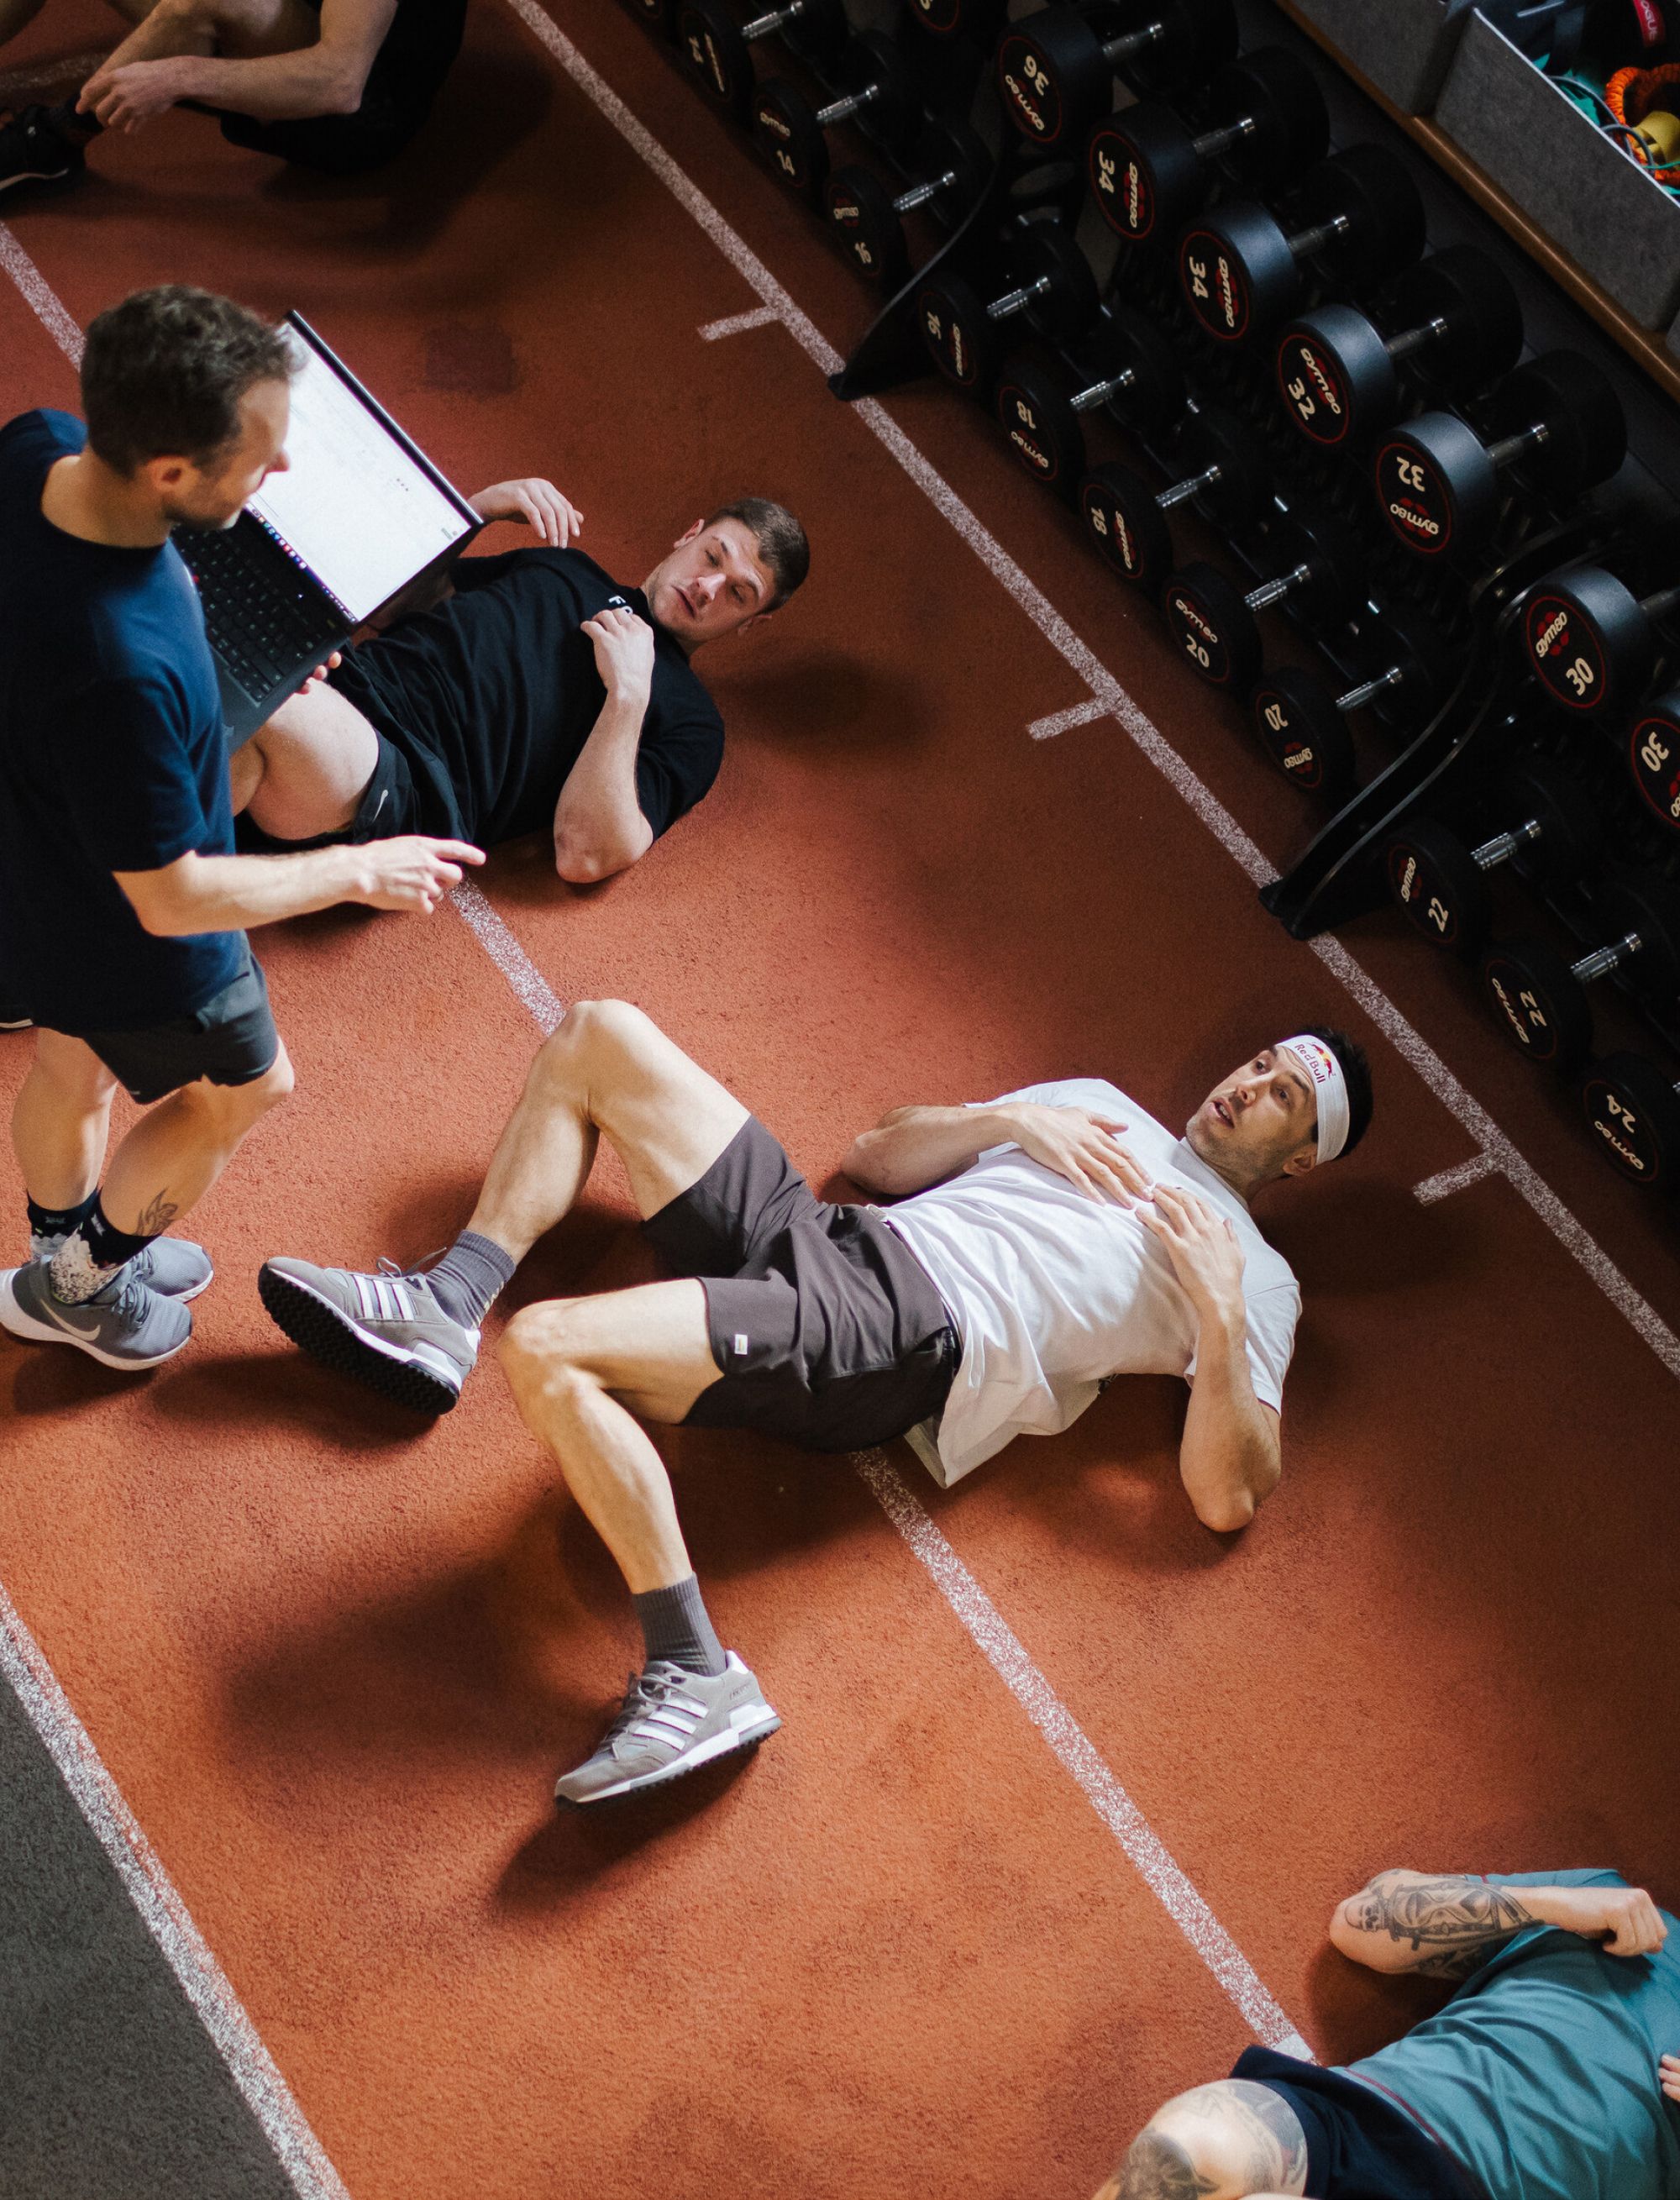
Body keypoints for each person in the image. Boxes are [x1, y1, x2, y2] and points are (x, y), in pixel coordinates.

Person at [255, 1006, 1371, 1808]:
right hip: (842, 1240)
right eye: (1261, 1059)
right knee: (599, 1032)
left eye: (1285, 1093)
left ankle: (695, 1669)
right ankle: (447, 1304)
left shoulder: (1254, 1273)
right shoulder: (1096, 1107)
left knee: (552, 1351)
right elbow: (877, 1152)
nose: (1248, 1082)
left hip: (903, 1333)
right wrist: (1009, 1126)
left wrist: (1220, 1321)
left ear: (1305, 1153)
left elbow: (1227, 1491)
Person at [0, 284, 480, 1373]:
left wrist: (229, 683)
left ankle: (63, 1253)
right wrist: (358, 863)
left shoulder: (41, 444)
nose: (283, 472)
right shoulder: (129, 665)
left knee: (73, 1070)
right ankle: (77, 1286)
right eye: (260, 457)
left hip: (37, 833)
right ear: (169, 472)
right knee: (249, 1088)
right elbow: (172, 892)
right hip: (132, 920)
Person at [224, 491, 809, 888]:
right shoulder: (566, 568)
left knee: (255, 702)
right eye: (713, 557)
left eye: (738, 593)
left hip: (402, 771)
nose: (707, 587)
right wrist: (473, 511)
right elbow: (395, 605)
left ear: (752, 623)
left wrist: (628, 694)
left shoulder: (691, 723)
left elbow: (586, 852)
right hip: (346, 677)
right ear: (690, 535)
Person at [1100, 1865, 1680, 2200]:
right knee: (1177, 2153)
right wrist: (1552, 1903)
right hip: (1362, 2111)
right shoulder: (1618, 1903)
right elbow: (1360, 1924)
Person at [0, 0, 465, 194]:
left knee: (204, 2)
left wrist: (180, 75)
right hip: (291, 20)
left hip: (358, 110)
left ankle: (51, 141)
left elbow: (340, 82)